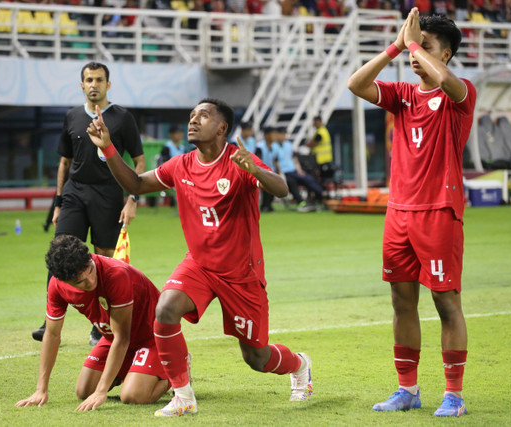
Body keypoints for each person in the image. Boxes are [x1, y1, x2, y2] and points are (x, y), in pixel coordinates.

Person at [86, 98, 313, 417]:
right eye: (192, 116)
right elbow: (135, 183)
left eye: (203, 116)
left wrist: (256, 172)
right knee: (165, 309)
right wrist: (108, 148)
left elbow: (283, 189)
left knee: (256, 358)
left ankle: (300, 365)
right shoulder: (181, 164)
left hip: (240, 274)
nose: (193, 121)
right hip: (199, 265)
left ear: (222, 128)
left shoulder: (239, 160)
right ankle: (183, 395)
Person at [347, 9, 474, 417]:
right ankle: (408, 390)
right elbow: (356, 83)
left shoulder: (461, 94)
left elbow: (447, 83)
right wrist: (397, 46)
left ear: (447, 54)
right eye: (415, 48)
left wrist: (415, 43)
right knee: (402, 302)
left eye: (427, 47)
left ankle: (453, 394)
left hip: (439, 211)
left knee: (445, 302)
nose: (416, 55)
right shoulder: (403, 94)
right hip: (398, 213)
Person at [32, 62, 146, 345]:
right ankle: (50, 322)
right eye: (88, 80)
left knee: (104, 260)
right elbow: (64, 163)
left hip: (109, 194)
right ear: (81, 85)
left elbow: (140, 161)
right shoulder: (71, 116)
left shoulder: (122, 118)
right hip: (75, 192)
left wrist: (133, 198)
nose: (93, 84)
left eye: (99, 80)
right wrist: (58, 204)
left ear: (109, 84)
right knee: (61, 250)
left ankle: (101, 325)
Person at [16, 235, 170, 411]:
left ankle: (176, 367)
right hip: (114, 337)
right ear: (63, 280)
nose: (90, 281)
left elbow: (122, 338)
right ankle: (139, 372)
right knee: (84, 390)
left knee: (132, 396)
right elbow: (51, 334)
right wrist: (40, 390)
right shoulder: (57, 286)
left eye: (90, 269)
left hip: (153, 337)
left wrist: (102, 391)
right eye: (79, 281)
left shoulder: (116, 275)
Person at [275, 127, 326, 212]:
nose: (284, 136)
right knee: (291, 182)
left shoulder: (288, 144)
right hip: (285, 173)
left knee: (308, 178)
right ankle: (301, 203)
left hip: (294, 171)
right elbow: (275, 161)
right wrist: (280, 173)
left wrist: (299, 170)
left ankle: (321, 196)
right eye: (282, 134)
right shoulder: (274, 146)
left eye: (284, 134)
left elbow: (295, 158)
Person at [256, 126, 281, 212]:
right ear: (266, 135)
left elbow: (276, 160)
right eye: (273, 134)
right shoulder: (259, 147)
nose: (275, 136)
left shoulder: (275, 147)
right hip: (261, 172)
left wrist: (279, 172)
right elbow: (257, 162)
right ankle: (265, 205)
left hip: (271, 172)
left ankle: (268, 205)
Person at [305, 115, 335, 188]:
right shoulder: (323, 131)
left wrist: (306, 144)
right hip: (325, 159)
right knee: (322, 178)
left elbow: (312, 143)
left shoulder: (320, 133)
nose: (314, 124)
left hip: (321, 159)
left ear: (319, 122)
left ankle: (319, 191)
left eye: (315, 122)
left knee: (318, 177)